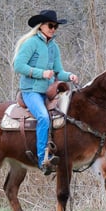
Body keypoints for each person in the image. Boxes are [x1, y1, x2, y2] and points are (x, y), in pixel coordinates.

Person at [12, 9, 79, 174]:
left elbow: (58, 71)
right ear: (41, 25)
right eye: (50, 25)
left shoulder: (54, 47)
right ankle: (43, 159)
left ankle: (62, 152)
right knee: (43, 117)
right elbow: (18, 65)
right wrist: (41, 73)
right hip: (31, 91)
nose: (53, 29)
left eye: (55, 26)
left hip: (49, 92)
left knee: (67, 116)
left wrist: (69, 75)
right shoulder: (31, 43)